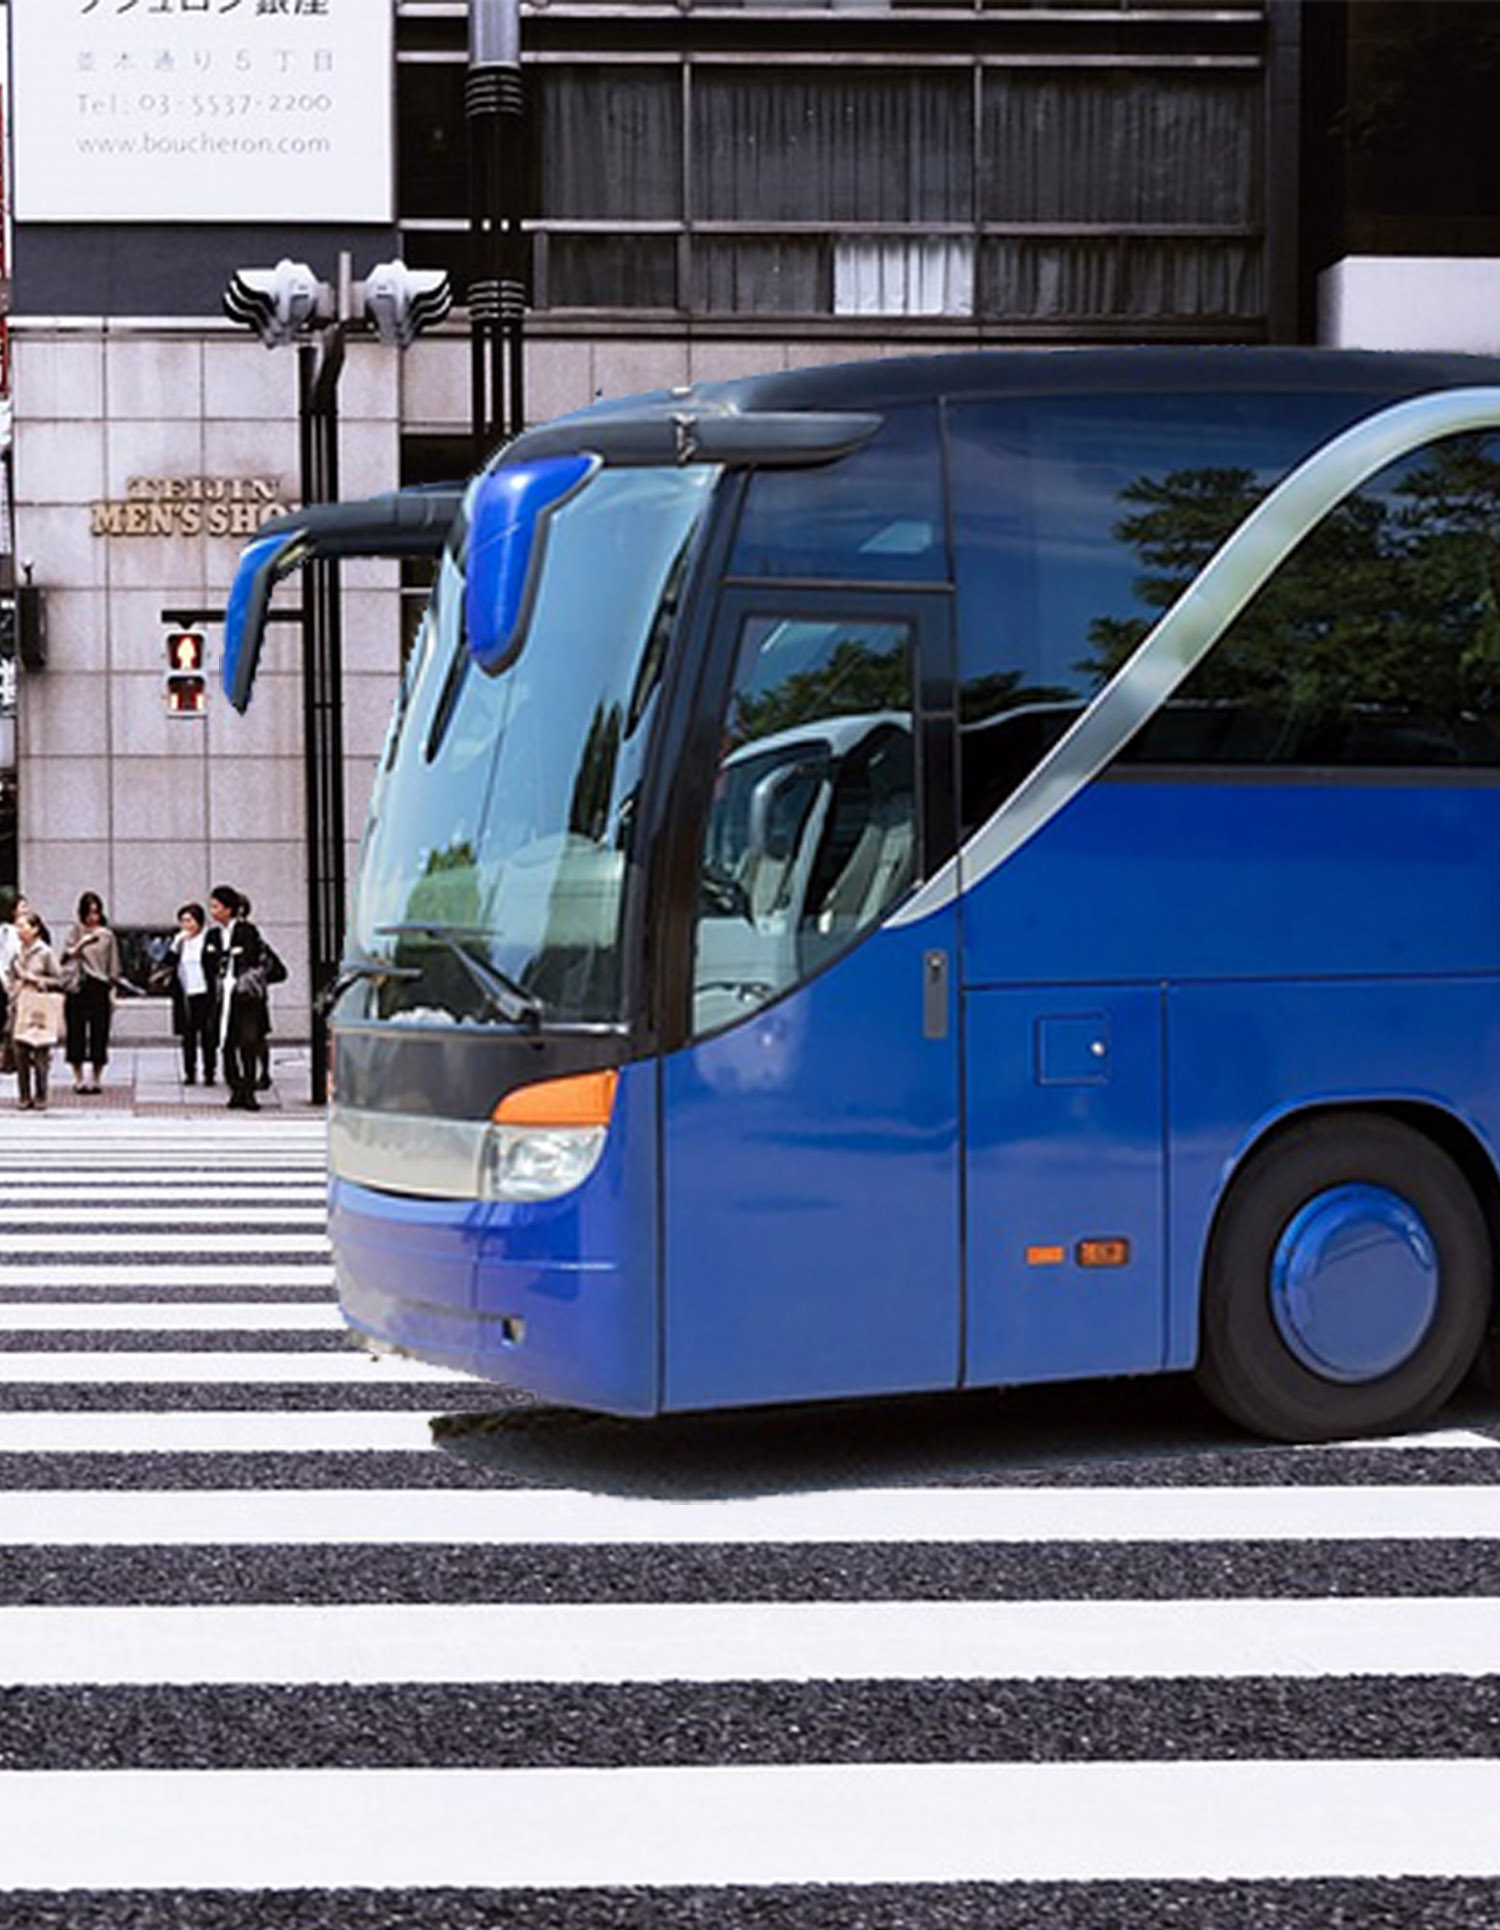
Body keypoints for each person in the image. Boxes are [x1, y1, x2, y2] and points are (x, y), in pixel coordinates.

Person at [203, 884, 268, 1111]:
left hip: (244, 997)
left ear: (229, 908)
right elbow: (208, 962)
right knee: (226, 1043)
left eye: (216, 906)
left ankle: (249, 1091)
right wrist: (225, 956)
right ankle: (235, 1088)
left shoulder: (246, 930)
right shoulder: (212, 934)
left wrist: (229, 956)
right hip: (222, 997)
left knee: (248, 1042)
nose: (212, 911)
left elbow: (251, 956)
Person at [60, 890, 122, 1095]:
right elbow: (65, 956)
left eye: (96, 912)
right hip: (78, 986)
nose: (92, 917)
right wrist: (83, 942)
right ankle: (77, 1078)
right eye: (88, 912)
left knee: (99, 1032)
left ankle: (96, 1078)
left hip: (99, 985)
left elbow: (113, 965)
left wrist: (113, 991)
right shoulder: (75, 931)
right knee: (75, 1031)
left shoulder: (107, 935)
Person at [8, 908, 62, 1111]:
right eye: (18, 925)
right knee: (20, 1052)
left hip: (38, 1005)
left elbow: (59, 979)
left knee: (40, 1052)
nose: (19, 930)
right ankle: (24, 1096)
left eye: (23, 926)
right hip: (19, 1004)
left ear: (35, 929)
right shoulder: (15, 950)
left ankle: (41, 1095)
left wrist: (35, 979)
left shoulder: (45, 952)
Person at [168, 901, 216, 1087]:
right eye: (183, 921)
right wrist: (176, 943)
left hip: (204, 993)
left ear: (199, 921)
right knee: (188, 1036)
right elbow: (168, 962)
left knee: (207, 1036)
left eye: (189, 920)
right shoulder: (180, 941)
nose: (186, 925)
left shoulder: (209, 939)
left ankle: (209, 1071)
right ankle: (190, 1072)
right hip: (185, 994)